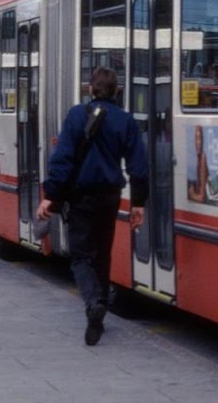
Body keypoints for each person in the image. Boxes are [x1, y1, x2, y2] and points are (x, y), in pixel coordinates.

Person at [35, 68, 148, 346]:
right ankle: (100, 311)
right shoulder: (125, 121)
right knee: (102, 254)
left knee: (81, 256)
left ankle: (94, 302)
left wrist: (50, 195)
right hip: (110, 196)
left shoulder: (76, 115)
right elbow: (139, 166)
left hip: (81, 197)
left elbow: (63, 158)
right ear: (117, 91)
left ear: (90, 89)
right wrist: (138, 204)